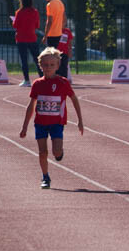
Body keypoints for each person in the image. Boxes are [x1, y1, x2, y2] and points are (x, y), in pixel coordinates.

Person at [20, 47, 84, 189]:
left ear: (57, 66)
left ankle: (59, 152)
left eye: (52, 65)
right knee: (42, 152)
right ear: (40, 65)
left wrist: (80, 120)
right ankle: (45, 176)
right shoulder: (37, 84)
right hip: (40, 123)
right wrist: (24, 126)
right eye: (45, 65)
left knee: (56, 152)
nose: (48, 68)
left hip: (56, 123)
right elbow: (31, 105)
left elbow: (74, 99)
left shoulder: (63, 82)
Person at [12, 0, 42, 86]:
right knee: (38, 60)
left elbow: (15, 25)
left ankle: (27, 80)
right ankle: (42, 77)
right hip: (32, 38)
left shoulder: (19, 12)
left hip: (21, 39)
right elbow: (37, 25)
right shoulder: (35, 12)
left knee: (24, 60)